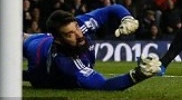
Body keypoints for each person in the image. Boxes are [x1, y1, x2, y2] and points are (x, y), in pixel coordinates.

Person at [23, 5, 163, 90]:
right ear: (59, 41)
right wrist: (137, 75)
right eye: (70, 34)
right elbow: (103, 85)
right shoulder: (66, 63)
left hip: (44, 38)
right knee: (17, 42)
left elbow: (111, 10)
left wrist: (126, 18)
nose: (79, 35)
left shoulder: (80, 26)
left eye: (76, 27)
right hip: (37, 53)